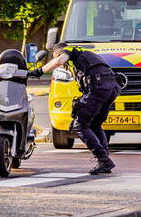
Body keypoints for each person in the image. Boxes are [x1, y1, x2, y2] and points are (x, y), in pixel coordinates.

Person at [30, 42, 119, 175]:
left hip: (99, 88)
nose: (63, 64)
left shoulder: (69, 50)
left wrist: (38, 72)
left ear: (59, 52)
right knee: (95, 125)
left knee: (79, 124)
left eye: (55, 57)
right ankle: (104, 160)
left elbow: (59, 61)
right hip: (112, 88)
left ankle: (104, 160)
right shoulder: (87, 55)